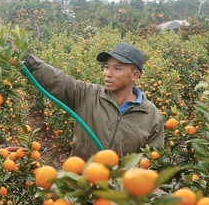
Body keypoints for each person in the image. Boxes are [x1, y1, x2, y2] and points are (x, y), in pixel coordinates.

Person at [17, 41, 164, 160]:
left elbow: (152, 160)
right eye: (106, 67)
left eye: (117, 69)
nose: (107, 74)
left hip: (120, 193)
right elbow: (57, 80)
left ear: (135, 75)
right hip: (81, 187)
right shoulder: (87, 94)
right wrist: (25, 59)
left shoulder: (150, 115)